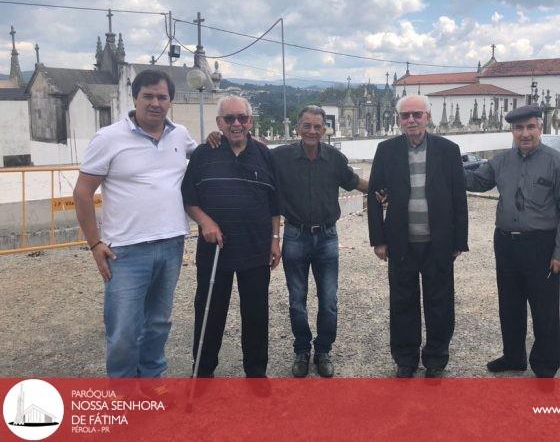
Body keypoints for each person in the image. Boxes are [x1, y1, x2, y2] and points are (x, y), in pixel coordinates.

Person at [74, 69, 197, 377]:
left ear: (170, 100)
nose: (155, 103)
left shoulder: (180, 135)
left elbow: (208, 156)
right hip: (126, 251)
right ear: (136, 98)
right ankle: (123, 392)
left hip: (171, 245)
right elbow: (82, 193)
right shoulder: (109, 138)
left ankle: (152, 378)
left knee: (158, 322)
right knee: (124, 330)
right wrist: (95, 243)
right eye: (148, 96)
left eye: (162, 97)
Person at [464, 105, 560, 378]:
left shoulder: (556, 162)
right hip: (505, 243)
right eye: (518, 128)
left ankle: (546, 363)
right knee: (510, 304)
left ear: (540, 127)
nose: (524, 134)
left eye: (530, 127)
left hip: (541, 244)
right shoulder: (501, 161)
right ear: (512, 131)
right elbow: (478, 182)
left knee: (544, 307)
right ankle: (514, 356)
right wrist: (443, 168)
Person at [367, 94, 468, 378]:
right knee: (402, 302)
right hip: (401, 241)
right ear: (398, 120)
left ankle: (436, 358)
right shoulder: (386, 150)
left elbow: (459, 197)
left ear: (428, 117)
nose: (411, 120)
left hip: (438, 241)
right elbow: (374, 197)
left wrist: (459, 240)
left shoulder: (448, 149)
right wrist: (379, 239)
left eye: (416, 114)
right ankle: (406, 358)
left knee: (439, 302)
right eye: (405, 115)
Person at [181, 95, 281, 378]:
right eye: (229, 119)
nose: (236, 124)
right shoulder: (203, 153)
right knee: (210, 312)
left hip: (255, 248)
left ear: (251, 121)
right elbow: (189, 198)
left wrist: (275, 240)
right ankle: (202, 371)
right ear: (219, 123)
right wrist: (205, 221)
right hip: (215, 249)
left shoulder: (264, 155)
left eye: (243, 118)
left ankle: (256, 374)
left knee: (256, 315)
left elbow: (275, 204)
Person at [272, 106, 368, 378]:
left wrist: (386, 188)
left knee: (328, 300)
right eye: (306, 126)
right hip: (295, 236)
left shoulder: (335, 159)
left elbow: (355, 182)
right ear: (297, 128)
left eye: (317, 126)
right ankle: (302, 350)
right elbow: (251, 152)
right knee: (296, 300)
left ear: (325, 129)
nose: (312, 131)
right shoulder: (281, 157)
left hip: (327, 237)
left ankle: (323, 350)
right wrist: (218, 139)